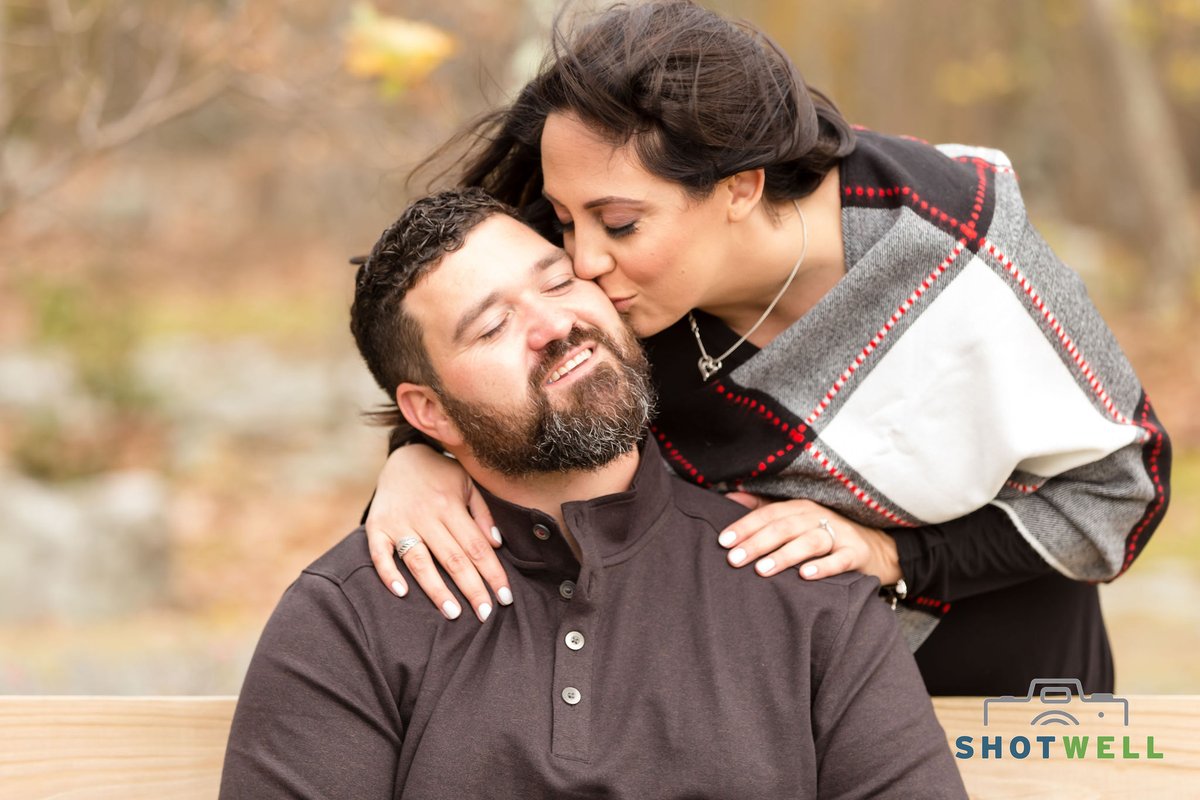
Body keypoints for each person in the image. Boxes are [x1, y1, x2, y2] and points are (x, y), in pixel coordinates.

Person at [362, 0, 1171, 695]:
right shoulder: (597, 251)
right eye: (566, 220)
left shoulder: (956, 251)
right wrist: (418, 459)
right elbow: (469, 359)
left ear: (742, 187)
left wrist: (892, 553)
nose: (580, 262)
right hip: (756, 701)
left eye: (617, 225)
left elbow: (1120, 493)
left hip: (995, 678)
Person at [219, 188, 967, 799]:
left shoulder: (805, 595)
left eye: (558, 280)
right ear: (430, 413)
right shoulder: (353, 617)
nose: (553, 325)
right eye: (492, 327)